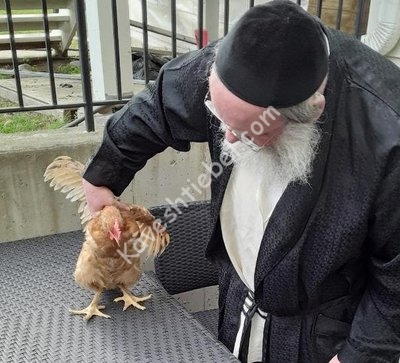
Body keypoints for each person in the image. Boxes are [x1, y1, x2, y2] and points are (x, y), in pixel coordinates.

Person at [82, 1, 400, 362]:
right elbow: (158, 105)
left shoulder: (387, 133)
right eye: (220, 117)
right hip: (236, 305)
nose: (227, 139)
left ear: (308, 114)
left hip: (324, 338)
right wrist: (102, 176)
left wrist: (360, 356)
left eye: (247, 131)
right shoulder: (238, 60)